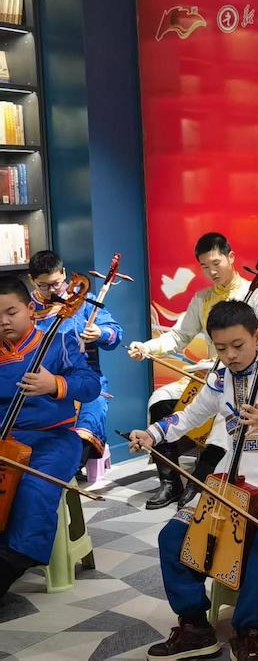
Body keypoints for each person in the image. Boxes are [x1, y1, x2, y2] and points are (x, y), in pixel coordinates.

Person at [129, 300, 258, 661]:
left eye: (237, 345)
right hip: (233, 475)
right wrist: (152, 434)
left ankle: (248, 632)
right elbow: (188, 417)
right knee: (173, 536)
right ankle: (195, 625)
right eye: (220, 348)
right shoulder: (219, 381)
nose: (229, 355)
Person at [128, 232, 258, 509]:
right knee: (159, 401)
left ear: (231, 257)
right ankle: (170, 481)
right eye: (205, 266)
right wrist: (146, 348)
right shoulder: (202, 298)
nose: (212, 272)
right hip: (208, 373)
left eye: (216, 263)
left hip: (242, 374)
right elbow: (179, 336)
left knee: (226, 414)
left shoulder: (255, 294)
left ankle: (200, 482)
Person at [0, 276, 101, 598]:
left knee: (35, 488)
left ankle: (12, 562)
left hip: (52, 439)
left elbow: (91, 386)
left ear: (30, 309)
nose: (3, 321)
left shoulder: (59, 343)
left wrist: (54, 384)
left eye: (11, 312)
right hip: (5, 440)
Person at [28, 250, 123, 479]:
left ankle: (67, 469)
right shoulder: (26, 306)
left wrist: (100, 332)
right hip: (40, 378)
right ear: (32, 281)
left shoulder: (84, 302)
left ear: (64, 273)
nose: (53, 291)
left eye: (56, 284)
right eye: (44, 286)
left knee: (92, 411)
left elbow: (115, 332)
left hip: (83, 377)